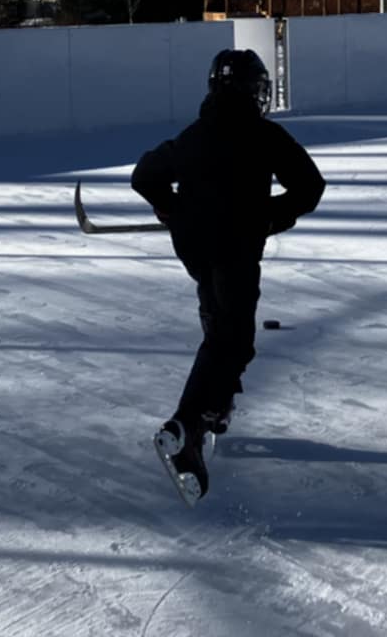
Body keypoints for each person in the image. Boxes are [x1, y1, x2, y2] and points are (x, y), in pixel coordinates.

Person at [131, 48, 324, 502]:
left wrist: (171, 208)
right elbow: (310, 187)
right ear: (249, 90)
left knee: (220, 329)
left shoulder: (194, 135)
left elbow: (144, 176)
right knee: (233, 342)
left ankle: (213, 410)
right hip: (235, 248)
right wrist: (270, 215)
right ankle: (185, 425)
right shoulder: (264, 135)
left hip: (196, 248)